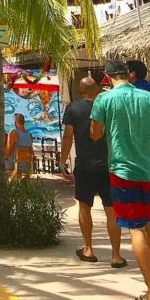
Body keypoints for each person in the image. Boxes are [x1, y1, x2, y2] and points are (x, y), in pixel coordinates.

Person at [91, 60, 150, 300]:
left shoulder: (104, 100)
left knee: (136, 229)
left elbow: (95, 134)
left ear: (107, 76)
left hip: (123, 171)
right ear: (128, 74)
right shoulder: (147, 97)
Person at [61, 77, 126, 267]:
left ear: (80, 90)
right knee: (111, 210)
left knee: (84, 206)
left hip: (85, 164)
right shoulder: (108, 104)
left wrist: (62, 161)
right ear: (97, 88)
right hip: (109, 163)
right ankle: (116, 255)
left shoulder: (73, 108)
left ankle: (88, 249)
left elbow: (68, 136)